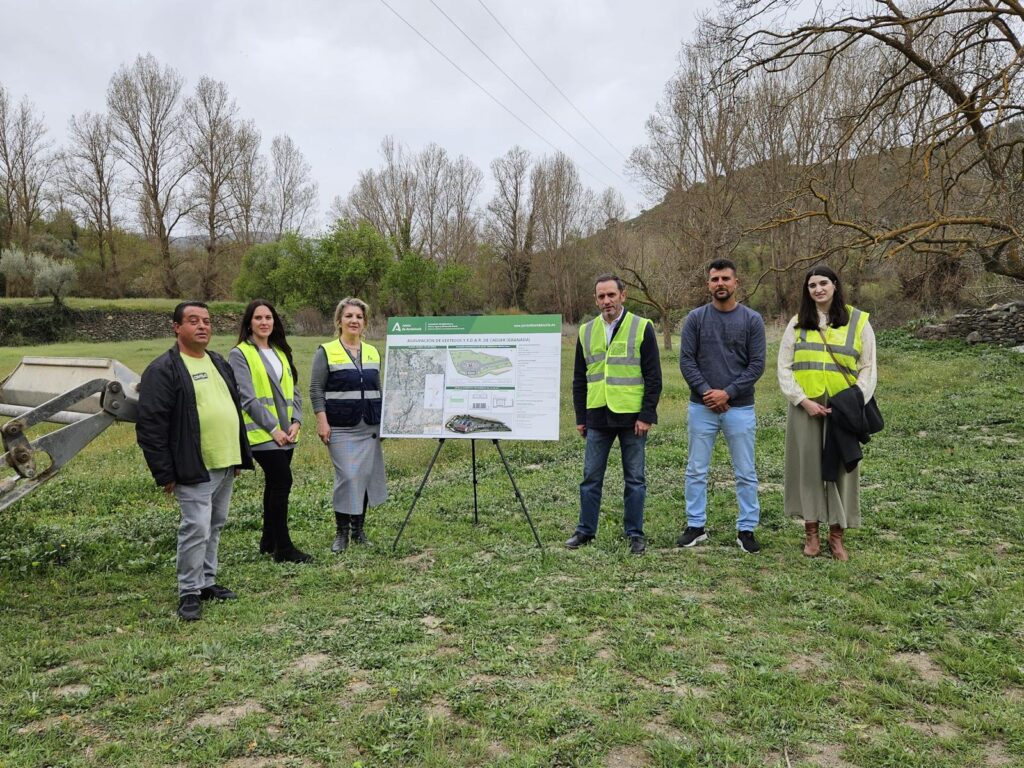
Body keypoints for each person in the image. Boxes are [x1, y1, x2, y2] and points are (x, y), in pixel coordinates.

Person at [136, 301, 253, 621]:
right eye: (193, 321)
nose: (203, 326)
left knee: (214, 525)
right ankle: (188, 591)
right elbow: (151, 426)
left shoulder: (218, 362)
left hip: (225, 462)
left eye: (206, 321)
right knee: (196, 528)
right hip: (192, 467)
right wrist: (165, 473)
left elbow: (232, 407)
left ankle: (206, 582)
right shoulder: (163, 370)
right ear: (176, 327)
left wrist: (238, 455)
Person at [777, 265, 877, 560]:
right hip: (805, 408)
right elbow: (784, 367)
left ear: (835, 285)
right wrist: (802, 400)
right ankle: (811, 533)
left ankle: (837, 535)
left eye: (823, 283)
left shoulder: (859, 322)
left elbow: (868, 367)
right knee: (808, 470)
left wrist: (854, 400)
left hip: (843, 409)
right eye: (811, 285)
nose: (818, 289)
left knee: (841, 471)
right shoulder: (797, 323)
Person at [566, 274, 662, 555]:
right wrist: (580, 418)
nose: (606, 301)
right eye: (601, 296)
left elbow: (653, 377)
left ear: (623, 295)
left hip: (632, 418)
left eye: (611, 295)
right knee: (590, 478)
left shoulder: (642, 327)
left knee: (634, 479)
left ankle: (635, 534)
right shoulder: (586, 331)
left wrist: (646, 415)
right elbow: (579, 379)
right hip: (597, 416)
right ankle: (585, 530)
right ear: (595, 300)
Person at [677, 258, 766, 554]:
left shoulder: (752, 320)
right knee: (696, 469)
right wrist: (706, 392)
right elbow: (687, 361)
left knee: (745, 471)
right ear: (708, 285)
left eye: (726, 279)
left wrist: (727, 393)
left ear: (736, 282)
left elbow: (756, 365)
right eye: (715, 279)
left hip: (739, 409)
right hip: (701, 407)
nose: (720, 284)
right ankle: (695, 526)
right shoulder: (695, 319)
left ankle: (747, 529)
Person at [228, 299, 311, 564]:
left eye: (268, 317)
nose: (264, 322)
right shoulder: (240, 354)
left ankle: (268, 540)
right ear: (249, 323)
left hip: (287, 434)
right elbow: (247, 398)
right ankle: (284, 548)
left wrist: (296, 419)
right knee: (283, 482)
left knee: (274, 485)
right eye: (258, 318)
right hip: (262, 435)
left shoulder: (279, 351)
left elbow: (294, 390)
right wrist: (274, 429)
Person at [309, 297, 387, 553]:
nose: (354, 320)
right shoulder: (326, 351)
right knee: (348, 475)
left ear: (364, 323)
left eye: (359, 317)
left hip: (369, 426)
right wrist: (322, 420)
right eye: (349, 316)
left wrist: (384, 420)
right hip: (341, 426)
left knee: (363, 476)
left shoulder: (373, 351)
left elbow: (378, 388)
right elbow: (316, 388)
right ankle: (341, 532)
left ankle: (358, 531)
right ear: (339, 321)